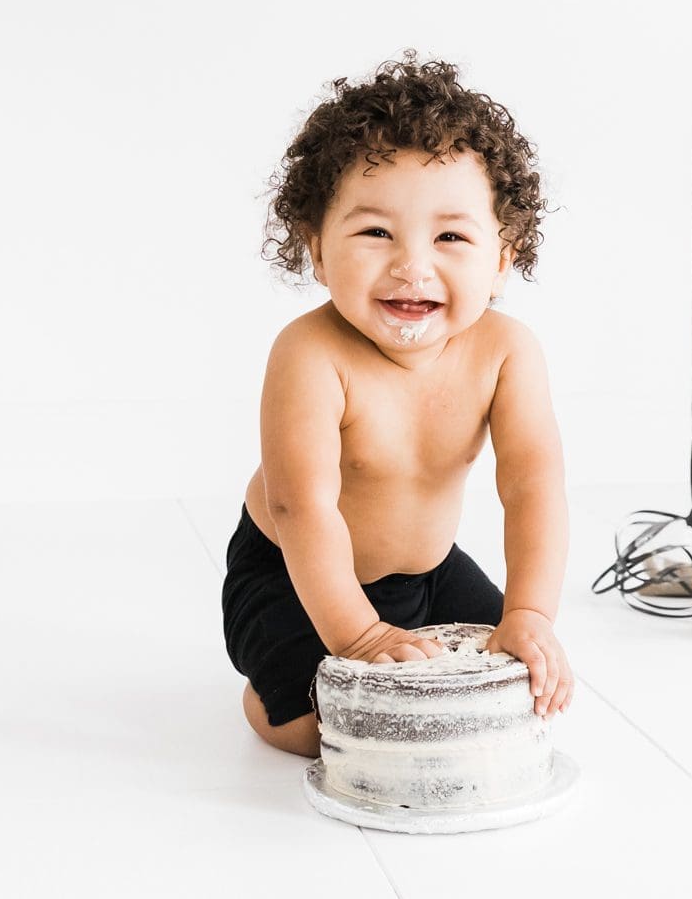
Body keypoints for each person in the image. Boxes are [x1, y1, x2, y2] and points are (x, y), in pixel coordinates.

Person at [221, 53, 573, 757]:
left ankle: (421, 641)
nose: (412, 266)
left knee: (511, 681)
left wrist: (531, 612)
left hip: (429, 573)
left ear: (502, 259)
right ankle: (266, 701)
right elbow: (300, 507)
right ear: (318, 250)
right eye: (376, 232)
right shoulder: (310, 354)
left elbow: (532, 485)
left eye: (451, 237)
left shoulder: (506, 351)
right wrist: (358, 636)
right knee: (328, 730)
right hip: (294, 574)